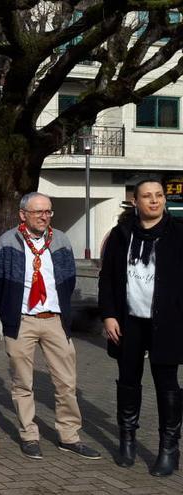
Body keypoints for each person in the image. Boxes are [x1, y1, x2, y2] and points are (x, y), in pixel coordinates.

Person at [0, 192, 101, 460]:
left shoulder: (60, 239)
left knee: (66, 383)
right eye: (38, 212)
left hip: (54, 320)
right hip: (22, 321)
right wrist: (10, 312)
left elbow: (69, 279)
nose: (44, 216)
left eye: (48, 211)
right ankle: (29, 434)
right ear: (22, 214)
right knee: (22, 383)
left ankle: (69, 436)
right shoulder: (7, 242)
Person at [100, 178, 183, 477]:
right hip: (128, 321)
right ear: (134, 201)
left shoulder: (177, 234)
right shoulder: (122, 235)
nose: (154, 201)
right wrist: (109, 315)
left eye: (159, 195)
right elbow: (107, 278)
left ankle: (169, 449)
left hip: (167, 323)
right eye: (147, 196)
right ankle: (127, 441)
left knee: (168, 386)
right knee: (128, 381)